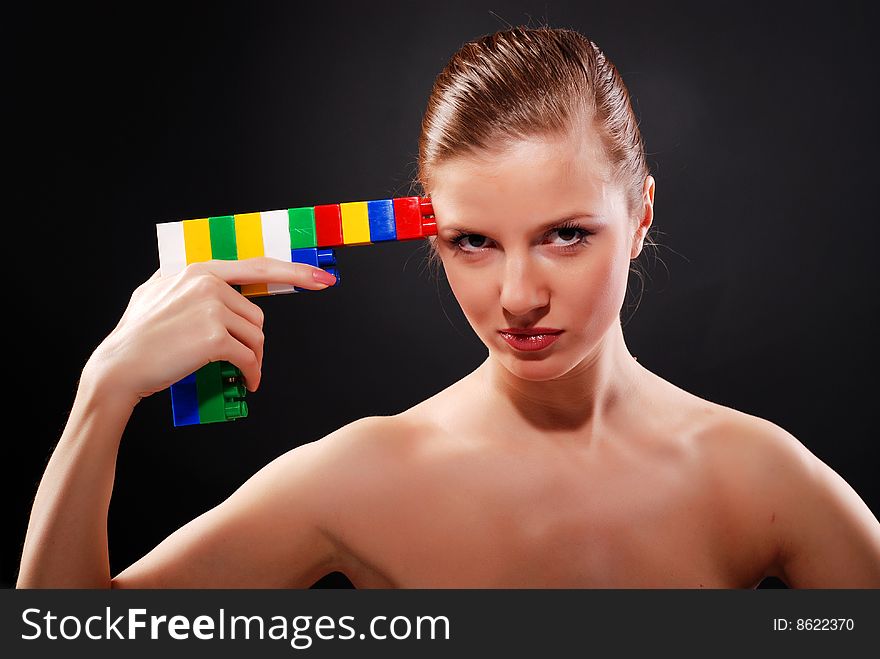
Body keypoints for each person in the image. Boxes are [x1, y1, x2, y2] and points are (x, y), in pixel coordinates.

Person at [17, 27, 880, 589]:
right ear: (429, 230)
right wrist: (102, 398)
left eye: (566, 235)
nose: (517, 296)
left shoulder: (756, 476)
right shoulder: (362, 475)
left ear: (642, 214)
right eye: (472, 241)